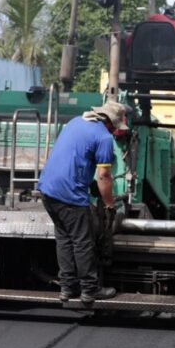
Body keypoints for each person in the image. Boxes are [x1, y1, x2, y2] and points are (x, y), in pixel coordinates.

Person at [37, 100, 130, 306]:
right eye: (116, 127)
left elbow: (76, 159)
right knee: (83, 242)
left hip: (47, 191)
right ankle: (90, 289)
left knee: (64, 239)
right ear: (111, 123)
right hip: (69, 195)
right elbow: (104, 176)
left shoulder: (75, 122)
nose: (116, 131)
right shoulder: (104, 137)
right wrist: (109, 204)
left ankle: (67, 288)